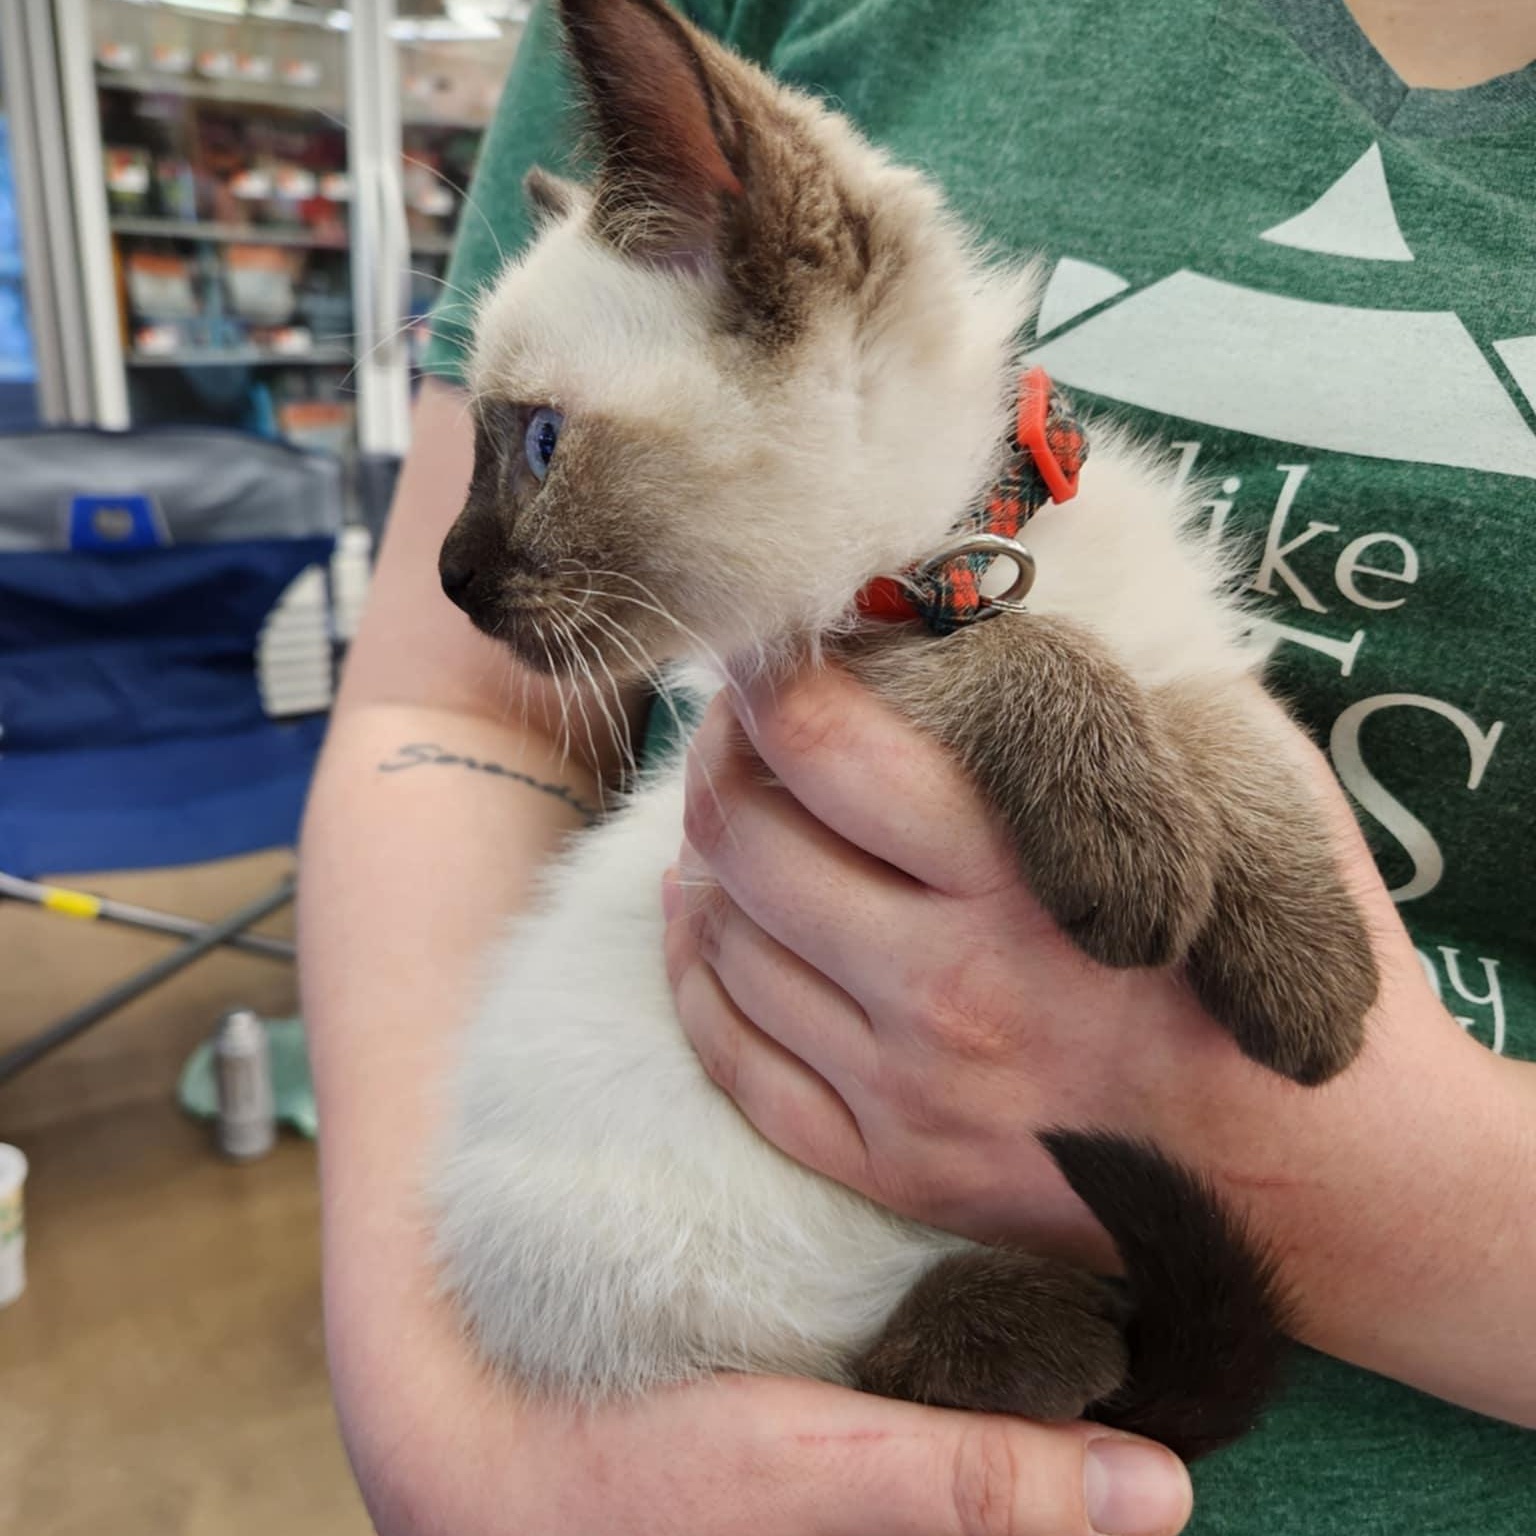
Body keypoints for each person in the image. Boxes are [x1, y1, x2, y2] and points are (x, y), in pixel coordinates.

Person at [297, 1, 1536, 1531]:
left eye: (539, 448)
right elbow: (450, 715)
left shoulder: (1040, 513)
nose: (466, 568)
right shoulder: (792, 603)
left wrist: (1363, 1189)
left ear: (753, 245)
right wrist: (439, 1442)